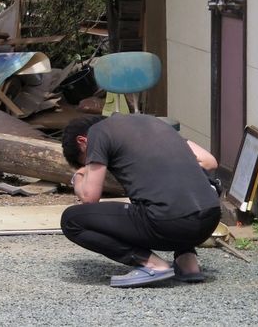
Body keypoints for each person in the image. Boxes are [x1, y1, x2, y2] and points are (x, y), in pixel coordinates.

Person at [60, 113, 221, 288]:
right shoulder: (153, 122)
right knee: (170, 196)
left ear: (82, 142)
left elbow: (89, 198)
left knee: (71, 219)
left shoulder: (97, 132)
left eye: (87, 161)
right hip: (209, 219)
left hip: (170, 224)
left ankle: (153, 265)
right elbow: (209, 161)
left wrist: (78, 177)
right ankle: (188, 263)